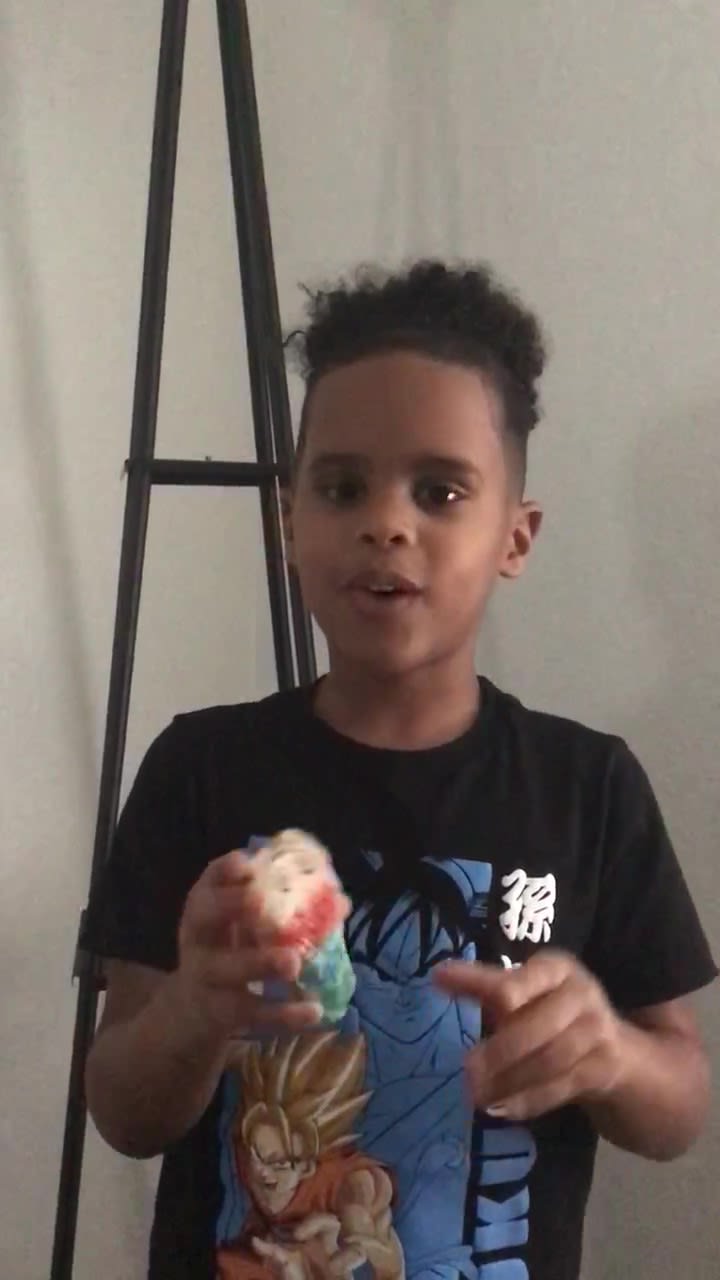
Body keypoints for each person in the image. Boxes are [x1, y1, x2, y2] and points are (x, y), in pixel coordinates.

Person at [82, 260, 717, 1280]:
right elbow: (123, 1111)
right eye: (342, 487)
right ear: (290, 520)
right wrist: (198, 1010)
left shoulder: (588, 786)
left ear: (516, 536)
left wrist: (609, 1052)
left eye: (441, 490)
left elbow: (679, 1106)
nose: (387, 522)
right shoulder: (199, 768)